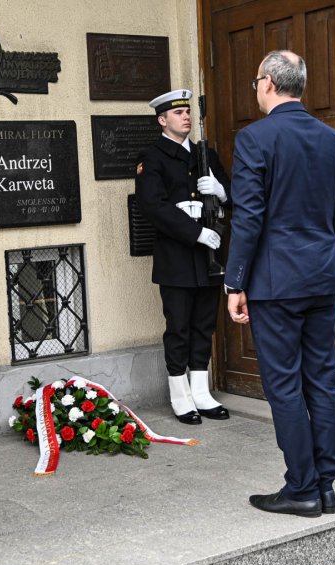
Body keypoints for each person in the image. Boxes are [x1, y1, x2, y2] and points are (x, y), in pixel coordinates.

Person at [225, 50, 335, 518]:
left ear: (268, 84)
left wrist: (235, 282)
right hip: (321, 276)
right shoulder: (331, 138)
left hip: (276, 283)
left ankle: (302, 487)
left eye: (256, 80)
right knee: (320, 379)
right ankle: (326, 485)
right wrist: (323, 256)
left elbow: (249, 217)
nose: (254, 88)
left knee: (283, 385)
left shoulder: (254, 138)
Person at [135, 88, 231, 425]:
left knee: (204, 325)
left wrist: (220, 191)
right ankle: (180, 394)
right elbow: (153, 206)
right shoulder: (153, 157)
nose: (186, 116)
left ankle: (201, 392)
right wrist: (195, 232)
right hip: (177, 257)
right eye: (178, 113)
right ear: (162, 120)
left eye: (188, 112)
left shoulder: (206, 154)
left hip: (209, 258)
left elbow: (230, 195)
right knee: (178, 327)